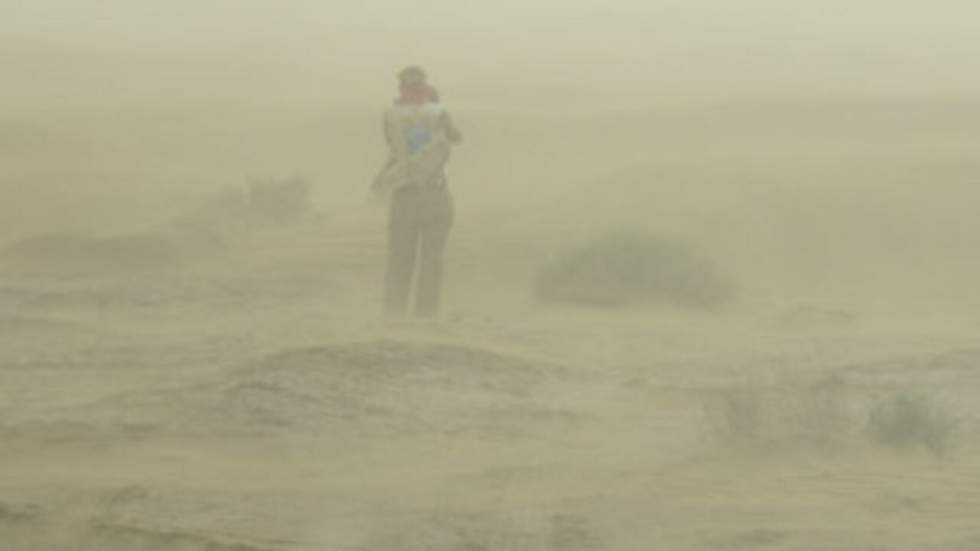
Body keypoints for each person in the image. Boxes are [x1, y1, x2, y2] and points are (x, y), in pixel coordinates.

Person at [374, 66, 462, 317]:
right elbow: (454, 138)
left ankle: (408, 316)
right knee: (416, 260)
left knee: (414, 260)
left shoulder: (402, 116)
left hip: (418, 195)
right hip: (421, 194)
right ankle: (409, 317)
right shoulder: (413, 116)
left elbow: (454, 138)